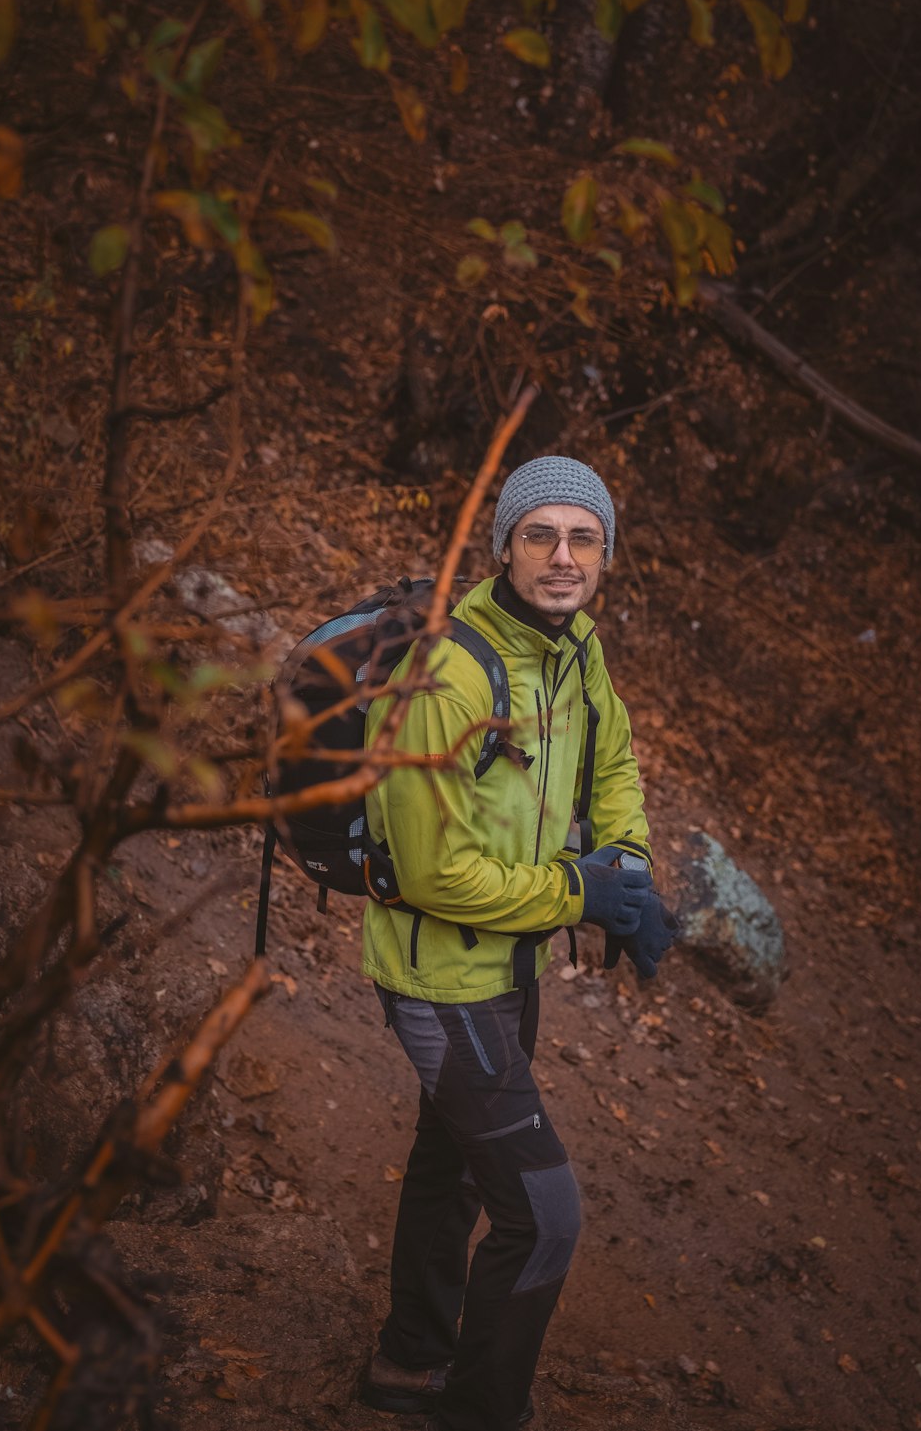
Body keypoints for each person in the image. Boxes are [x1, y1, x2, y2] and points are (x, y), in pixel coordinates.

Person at [358, 456, 676, 1431]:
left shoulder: (575, 648)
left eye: (584, 538)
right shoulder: (447, 669)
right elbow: (426, 868)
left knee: (451, 1160)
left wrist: (623, 863)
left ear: (606, 558)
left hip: (509, 965)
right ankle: (477, 1411)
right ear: (503, 546)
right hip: (438, 979)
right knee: (543, 1215)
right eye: (540, 534)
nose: (562, 556)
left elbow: (614, 757)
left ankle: (409, 1360)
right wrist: (576, 892)